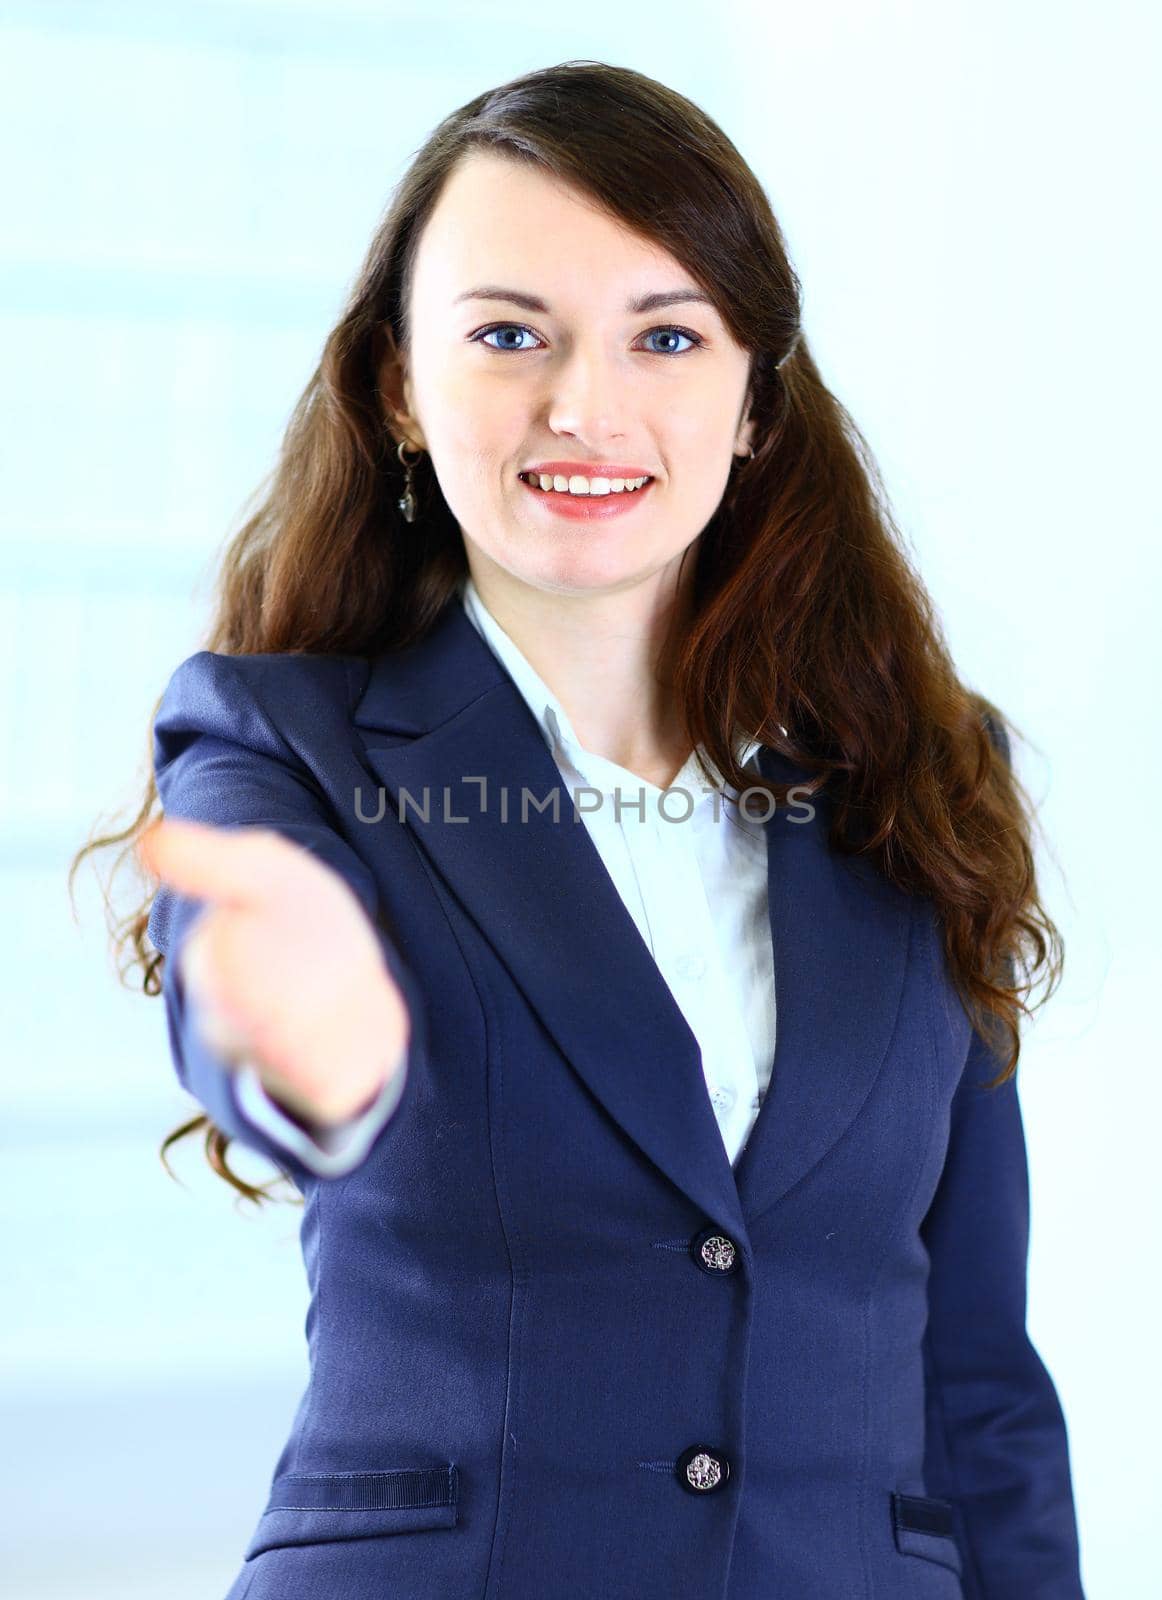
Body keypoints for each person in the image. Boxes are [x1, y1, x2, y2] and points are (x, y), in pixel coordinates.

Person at [73, 60, 1085, 1600]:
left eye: (665, 337)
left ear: (754, 399)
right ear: (402, 385)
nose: (582, 406)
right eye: (505, 335)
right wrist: (306, 1054)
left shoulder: (917, 778)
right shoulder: (282, 740)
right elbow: (262, 1008)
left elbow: (977, 1377)